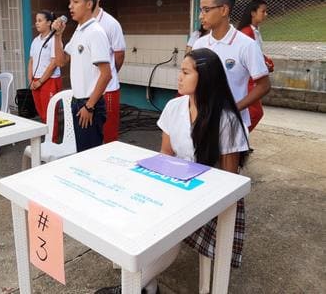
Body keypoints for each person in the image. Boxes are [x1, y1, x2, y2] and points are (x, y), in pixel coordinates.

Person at [95, 49, 250, 294]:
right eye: (180, 70)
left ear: (205, 78)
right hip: (175, 185)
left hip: (211, 200)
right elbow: (165, 156)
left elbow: (229, 182)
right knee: (133, 208)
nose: (179, 77)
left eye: (186, 72)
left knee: (168, 235)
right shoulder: (174, 107)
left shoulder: (226, 120)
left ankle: (132, 288)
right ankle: (146, 285)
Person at [192, 0, 271, 128]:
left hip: (232, 124)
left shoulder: (247, 45)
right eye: (201, 10)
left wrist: (234, 108)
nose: (200, 16)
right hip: (203, 120)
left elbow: (264, 86)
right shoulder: (199, 44)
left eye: (206, 10)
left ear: (223, 10)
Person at [52, 0, 112, 152]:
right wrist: (58, 36)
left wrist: (89, 106)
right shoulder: (79, 31)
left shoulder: (95, 32)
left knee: (90, 156)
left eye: (75, 1)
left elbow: (106, 74)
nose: (70, 6)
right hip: (78, 102)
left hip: (89, 104)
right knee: (82, 153)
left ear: (89, 4)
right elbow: (61, 61)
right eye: (70, 2)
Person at [88, 0, 126, 143]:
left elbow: (119, 55)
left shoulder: (110, 23)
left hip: (108, 89)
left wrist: (109, 74)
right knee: (90, 133)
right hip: (88, 89)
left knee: (108, 134)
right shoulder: (82, 24)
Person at [237, 0, 275, 132]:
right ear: (253, 13)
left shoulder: (254, 30)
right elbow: (247, 56)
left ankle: (241, 142)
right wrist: (264, 63)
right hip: (248, 79)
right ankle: (238, 140)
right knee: (255, 113)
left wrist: (265, 60)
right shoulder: (247, 32)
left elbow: (256, 53)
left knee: (251, 113)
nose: (266, 14)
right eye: (263, 11)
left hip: (252, 78)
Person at [28, 10, 62, 142]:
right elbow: (31, 60)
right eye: (36, 21)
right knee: (42, 113)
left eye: (40, 20)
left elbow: (54, 63)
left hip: (49, 81)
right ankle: (46, 139)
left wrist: (40, 81)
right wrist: (31, 79)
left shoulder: (54, 40)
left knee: (50, 113)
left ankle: (52, 142)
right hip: (36, 81)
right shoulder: (35, 41)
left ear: (49, 22)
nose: (37, 23)